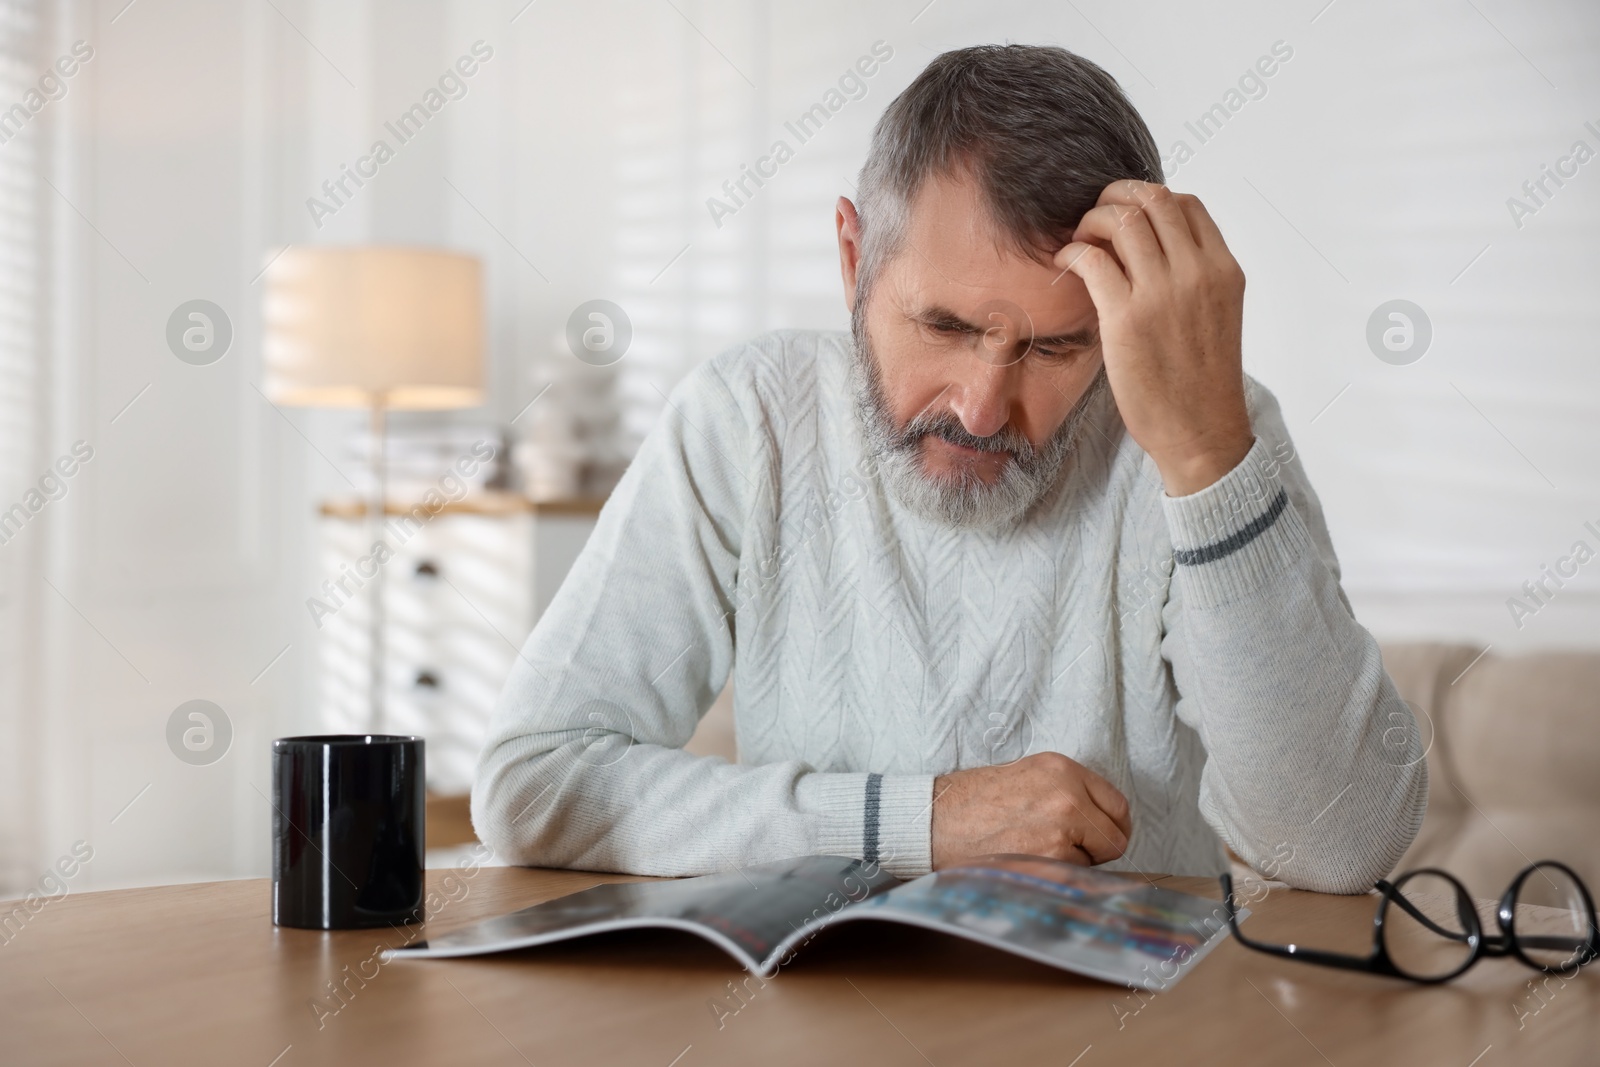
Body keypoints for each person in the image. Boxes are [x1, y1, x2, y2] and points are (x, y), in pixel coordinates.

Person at [472, 44, 1427, 894]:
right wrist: (920, 824)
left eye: (1056, 349)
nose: (981, 407)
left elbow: (1337, 846)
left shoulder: (1200, 431)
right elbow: (533, 781)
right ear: (854, 261)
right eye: (946, 326)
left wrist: (1208, 458)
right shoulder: (748, 421)